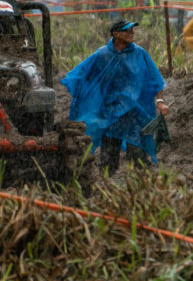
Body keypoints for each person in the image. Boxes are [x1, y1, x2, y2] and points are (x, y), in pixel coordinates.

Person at [61, 19, 169, 174]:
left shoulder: (139, 54)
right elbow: (82, 75)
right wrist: (85, 96)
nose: (132, 33)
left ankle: (141, 188)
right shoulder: (102, 55)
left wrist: (160, 101)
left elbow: (155, 80)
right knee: (108, 159)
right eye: (127, 30)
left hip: (134, 114)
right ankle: (106, 186)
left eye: (133, 30)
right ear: (116, 34)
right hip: (110, 114)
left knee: (138, 156)